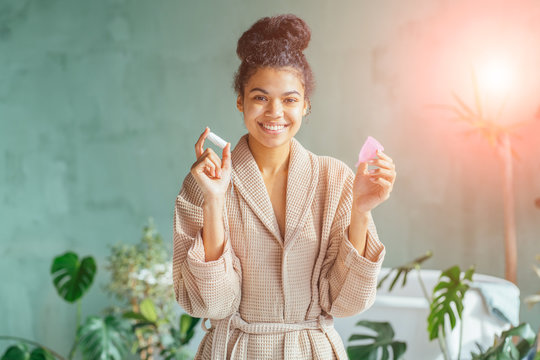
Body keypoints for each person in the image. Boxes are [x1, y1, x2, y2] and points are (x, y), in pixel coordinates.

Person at [173, 14, 397, 360]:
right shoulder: (204, 180)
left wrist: (361, 210)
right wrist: (214, 202)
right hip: (234, 350)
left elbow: (347, 301)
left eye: (290, 100)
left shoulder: (335, 179)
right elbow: (212, 303)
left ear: (306, 105)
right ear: (241, 101)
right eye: (260, 97)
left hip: (311, 351)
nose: (275, 112)